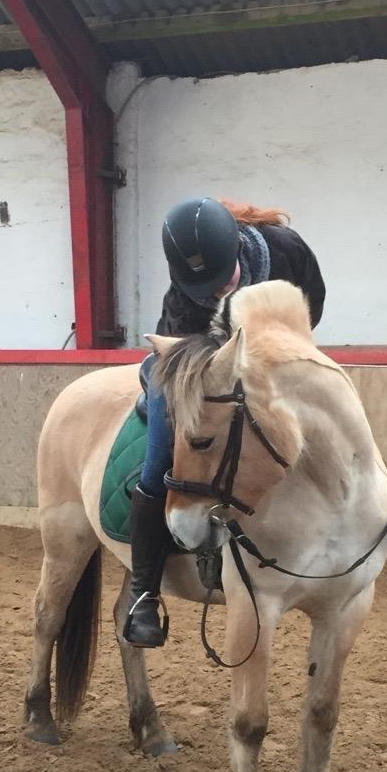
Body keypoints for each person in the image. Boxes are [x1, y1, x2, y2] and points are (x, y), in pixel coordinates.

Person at [123, 196, 327, 648]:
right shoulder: (182, 298)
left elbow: (312, 307)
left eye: (222, 282)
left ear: (238, 248)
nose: (215, 294)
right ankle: (144, 595)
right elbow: (185, 362)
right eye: (203, 289)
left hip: (267, 363)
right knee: (159, 462)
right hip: (193, 374)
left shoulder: (286, 251)